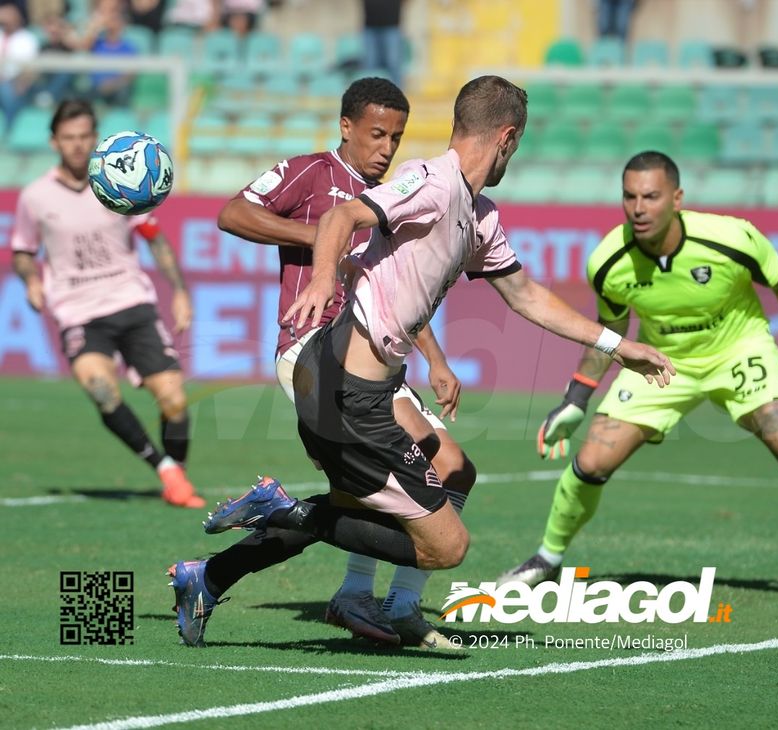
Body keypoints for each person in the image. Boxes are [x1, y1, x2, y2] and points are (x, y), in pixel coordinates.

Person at [168, 75, 675, 647]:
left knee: (420, 485)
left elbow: (525, 295)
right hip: (341, 386)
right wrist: (325, 278)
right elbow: (339, 218)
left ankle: (216, 576)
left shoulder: (478, 215)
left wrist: (617, 345)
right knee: (445, 545)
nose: (387, 147)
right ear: (507, 138)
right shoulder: (430, 181)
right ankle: (305, 532)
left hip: (368, 386)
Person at [496, 151, 778, 617]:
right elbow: (612, 331)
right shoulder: (608, 261)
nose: (639, 208)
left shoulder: (731, 238)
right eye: (630, 197)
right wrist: (576, 398)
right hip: (663, 361)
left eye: (651, 196)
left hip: (738, 350)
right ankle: (547, 558)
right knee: (592, 459)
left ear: (677, 199)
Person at [216, 76, 473, 649]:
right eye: (377, 134)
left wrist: (436, 359)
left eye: (396, 138)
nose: (386, 148)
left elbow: (397, 297)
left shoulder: (389, 201)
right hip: (315, 353)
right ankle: (386, 601)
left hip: (372, 359)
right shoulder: (312, 173)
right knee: (431, 471)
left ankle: (220, 576)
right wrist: (321, 239)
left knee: (433, 476)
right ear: (346, 126)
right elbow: (232, 214)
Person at [11, 99, 204, 509]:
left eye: (84, 136)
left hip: (131, 302)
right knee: (100, 388)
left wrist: (180, 291)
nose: (77, 145)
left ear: (95, 139)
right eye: (69, 137)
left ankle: (177, 470)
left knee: (174, 400)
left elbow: (155, 239)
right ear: (54, 141)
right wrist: (31, 280)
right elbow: (23, 251)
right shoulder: (35, 197)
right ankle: (166, 471)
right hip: (78, 311)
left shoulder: (121, 184)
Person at [0, 3, 39, 131]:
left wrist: (23, 82)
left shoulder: (27, 39)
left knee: (7, 92)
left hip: (15, 81)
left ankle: (9, 130)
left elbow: (30, 67)